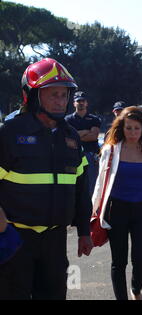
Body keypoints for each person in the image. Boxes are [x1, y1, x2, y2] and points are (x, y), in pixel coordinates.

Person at [0, 58, 93, 299]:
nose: (61, 101)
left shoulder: (71, 136)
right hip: (16, 239)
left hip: (55, 240)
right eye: (53, 94)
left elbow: (82, 188)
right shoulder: (10, 133)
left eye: (64, 95)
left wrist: (84, 231)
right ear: (32, 96)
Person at [92, 106, 142, 300]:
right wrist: (94, 211)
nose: (132, 133)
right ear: (121, 128)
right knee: (119, 261)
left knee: (141, 260)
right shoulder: (111, 150)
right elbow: (100, 183)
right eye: (129, 128)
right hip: (117, 210)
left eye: (137, 128)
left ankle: (136, 289)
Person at [65, 91, 102, 196]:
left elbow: (94, 136)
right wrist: (86, 131)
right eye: (78, 101)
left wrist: (76, 134)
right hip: (73, 156)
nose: (81, 103)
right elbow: (68, 140)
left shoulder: (94, 119)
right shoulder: (67, 120)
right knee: (74, 184)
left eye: (83, 101)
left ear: (87, 103)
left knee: (91, 185)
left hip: (90, 155)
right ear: (74, 103)